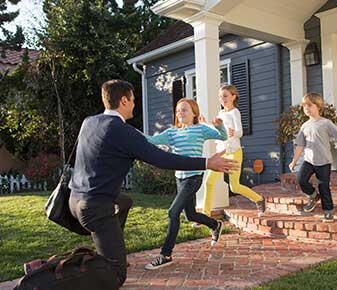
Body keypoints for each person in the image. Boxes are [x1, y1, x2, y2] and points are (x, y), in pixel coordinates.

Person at [68, 80, 238, 287]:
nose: (134, 104)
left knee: (125, 202)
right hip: (95, 207)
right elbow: (162, 159)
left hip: (74, 199)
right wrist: (208, 162)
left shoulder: (89, 121)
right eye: (133, 99)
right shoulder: (123, 131)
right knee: (115, 275)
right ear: (123, 100)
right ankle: (49, 277)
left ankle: (115, 250)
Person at [143, 98, 227, 270]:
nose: (180, 113)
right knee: (191, 215)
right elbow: (151, 140)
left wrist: (219, 125)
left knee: (173, 212)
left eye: (184, 110)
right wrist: (131, 132)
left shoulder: (200, 129)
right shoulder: (171, 133)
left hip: (193, 178)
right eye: (178, 110)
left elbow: (223, 136)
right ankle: (215, 224)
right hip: (179, 178)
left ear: (194, 113)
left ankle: (165, 254)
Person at [289, 93, 337, 222]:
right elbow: (300, 145)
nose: (306, 108)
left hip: (324, 162)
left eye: (309, 105)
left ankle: (328, 211)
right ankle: (313, 195)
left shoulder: (326, 123)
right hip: (309, 160)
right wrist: (294, 161)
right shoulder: (304, 126)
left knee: (324, 187)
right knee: (301, 180)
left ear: (318, 106)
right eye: (304, 106)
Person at [203, 84, 266, 218]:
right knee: (209, 182)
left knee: (235, 187)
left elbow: (240, 132)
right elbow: (216, 130)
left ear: (233, 96)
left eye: (225, 96)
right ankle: (205, 214)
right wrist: (204, 123)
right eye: (220, 96)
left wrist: (233, 132)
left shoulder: (235, 112)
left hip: (234, 152)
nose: (222, 99)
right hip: (221, 152)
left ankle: (259, 199)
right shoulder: (220, 113)